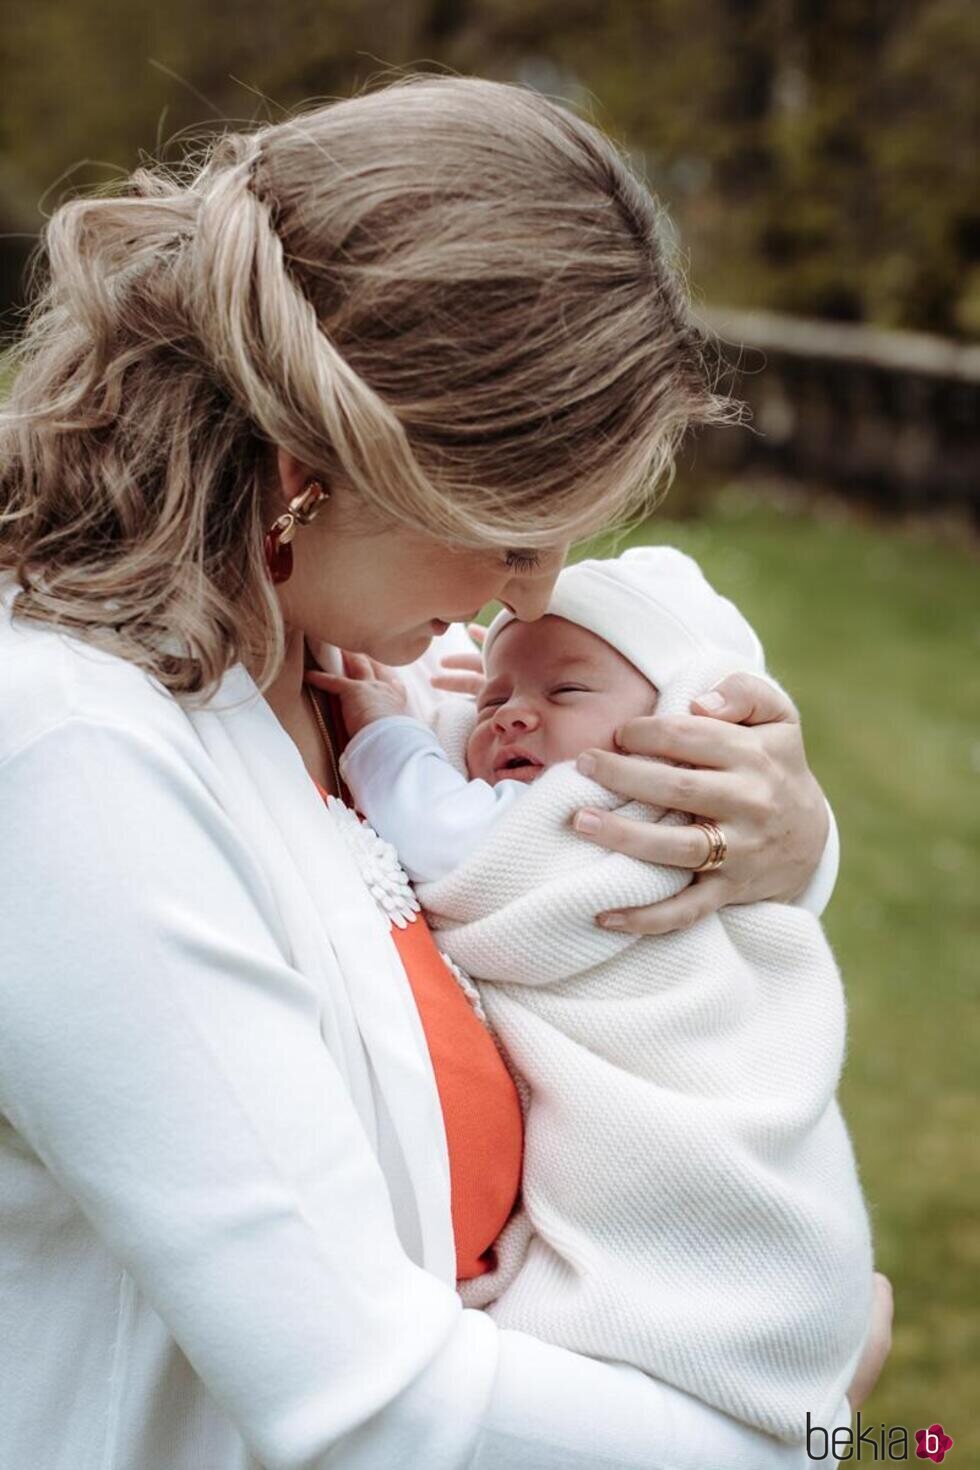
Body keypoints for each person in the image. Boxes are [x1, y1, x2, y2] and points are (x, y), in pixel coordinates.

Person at [0, 73, 891, 1470]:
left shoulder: (356, 671)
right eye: (513, 527)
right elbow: (363, 1402)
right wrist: (804, 1428)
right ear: (322, 463)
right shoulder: (75, 765)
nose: (533, 589)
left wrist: (780, 843)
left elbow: (589, 870)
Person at [308, 544, 877, 1445]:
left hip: (697, 1145)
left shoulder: (619, 822)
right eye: (492, 699)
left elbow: (455, 843)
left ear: (686, 731)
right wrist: (489, 704)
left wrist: (388, 735)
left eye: (566, 694)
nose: (511, 719)